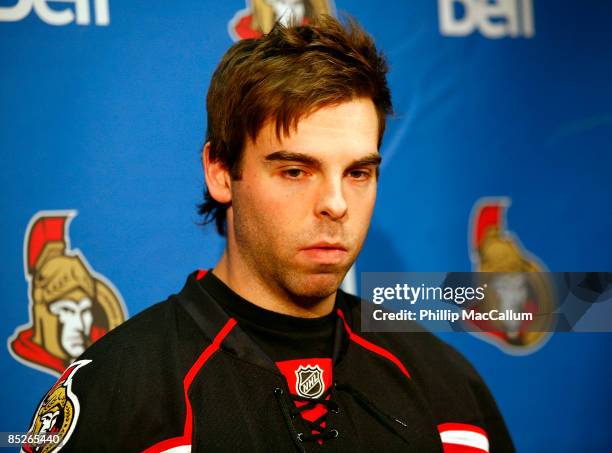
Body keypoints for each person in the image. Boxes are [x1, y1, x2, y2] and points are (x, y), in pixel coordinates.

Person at [22, 15, 514, 452]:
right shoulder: (118, 390)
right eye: (296, 171)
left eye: (358, 173)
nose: (336, 204)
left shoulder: (445, 385)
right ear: (220, 171)